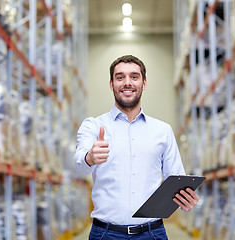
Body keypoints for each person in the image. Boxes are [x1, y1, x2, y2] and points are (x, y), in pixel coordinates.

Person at [74, 55, 199, 240]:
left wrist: (186, 200)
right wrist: (90, 157)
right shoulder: (93, 126)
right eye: (120, 77)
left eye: (134, 77)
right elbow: (79, 165)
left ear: (144, 83)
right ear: (111, 84)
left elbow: (177, 179)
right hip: (105, 234)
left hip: (152, 233)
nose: (127, 83)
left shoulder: (162, 131)